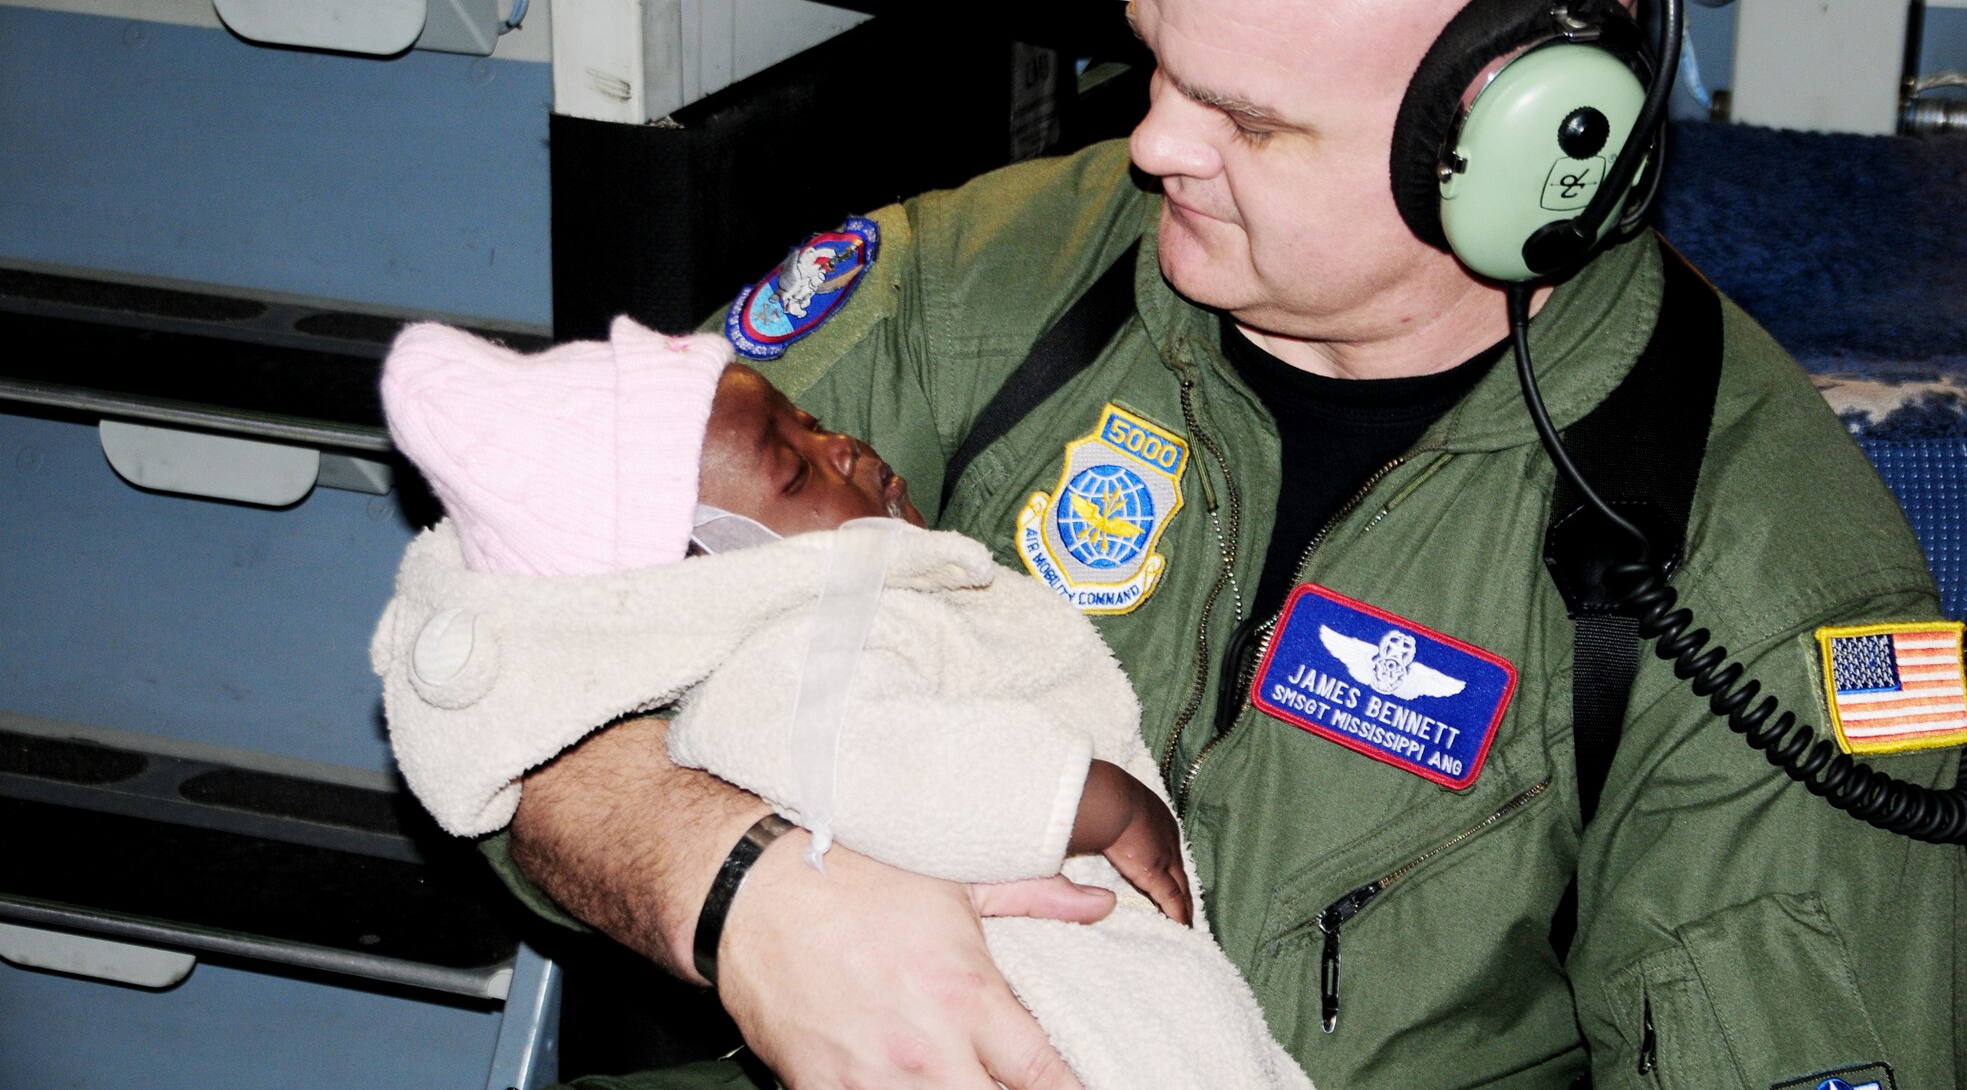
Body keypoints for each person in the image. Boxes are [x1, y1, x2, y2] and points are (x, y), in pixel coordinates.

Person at [488, 0, 1967, 1087]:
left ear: (1530, 144)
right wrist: (736, 886)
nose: (1150, 142)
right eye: (1153, 57)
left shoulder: (1765, 593)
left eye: (1250, 119)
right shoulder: (993, 285)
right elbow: (498, 634)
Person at [372, 318, 1313, 1090]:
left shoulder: (856, 599)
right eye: (795, 469)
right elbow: (839, 745)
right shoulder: (801, 635)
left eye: (813, 421)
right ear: (703, 566)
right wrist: (1087, 796)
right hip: (1022, 1004)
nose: (844, 444)